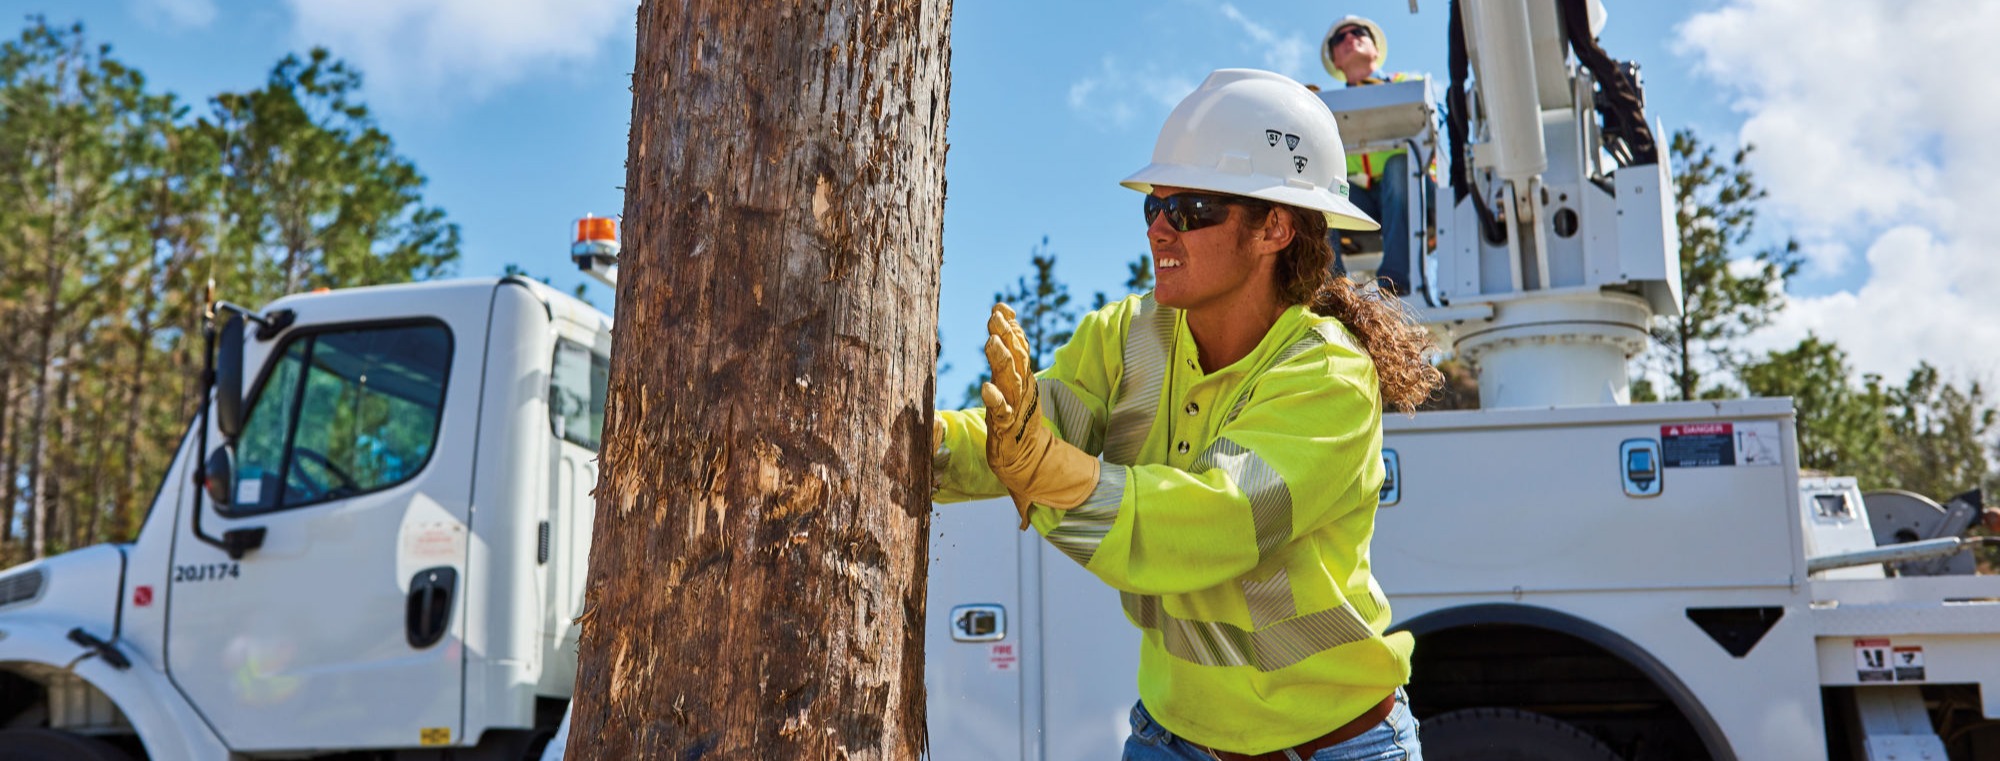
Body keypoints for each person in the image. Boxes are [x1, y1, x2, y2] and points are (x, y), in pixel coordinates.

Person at [933, 69, 1442, 761]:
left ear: (1276, 228)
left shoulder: (1328, 373)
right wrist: (915, 442)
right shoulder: (1126, 337)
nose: (1161, 229)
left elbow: (1215, 521)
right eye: (1154, 206)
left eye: (1193, 208)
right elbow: (1020, 431)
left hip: (1334, 747)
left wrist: (1052, 477)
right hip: (1171, 741)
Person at [1322, 15, 1434, 296]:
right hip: (1369, 203)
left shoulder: (1409, 83)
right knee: (1321, 191)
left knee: (1399, 167)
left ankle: (1393, 282)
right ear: (1336, 61)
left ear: (1375, 48)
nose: (1349, 38)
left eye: (1358, 32)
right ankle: (1334, 286)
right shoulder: (1326, 108)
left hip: (1415, 191)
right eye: (1340, 38)